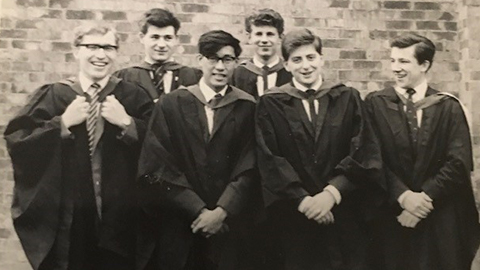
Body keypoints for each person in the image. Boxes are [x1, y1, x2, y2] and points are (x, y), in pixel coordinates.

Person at [3, 23, 153, 270]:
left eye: (108, 47)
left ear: (116, 52)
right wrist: (61, 124)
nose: (101, 55)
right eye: (92, 46)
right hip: (70, 219)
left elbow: (161, 147)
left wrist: (128, 123)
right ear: (76, 51)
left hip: (121, 218)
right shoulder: (54, 95)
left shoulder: (133, 96)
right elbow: (19, 140)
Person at [255, 28, 381, 270]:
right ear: (286, 65)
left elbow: (363, 148)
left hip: (342, 210)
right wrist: (305, 202)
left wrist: (330, 195)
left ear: (321, 59)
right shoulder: (271, 103)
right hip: (293, 215)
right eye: (297, 60)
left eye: (311, 57)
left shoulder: (347, 97)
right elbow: (269, 157)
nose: (305, 66)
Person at [137, 30, 258, 270]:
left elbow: (251, 164)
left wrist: (222, 211)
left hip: (230, 226)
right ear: (199, 60)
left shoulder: (247, 106)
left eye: (228, 59)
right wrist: (198, 210)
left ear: (236, 63)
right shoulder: (172, 104)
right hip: (182, 224)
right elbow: (158, 165)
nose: (220, 67)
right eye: (213, 58)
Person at [365, 33, 480, 270]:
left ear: (424, 64)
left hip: (438, 214)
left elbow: (458, 162)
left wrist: (423, 199)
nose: (395, 68)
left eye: (404, 62)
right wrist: (404, 197)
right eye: (393, 60)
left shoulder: (447, 106)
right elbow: (371, 157)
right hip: (392, 213)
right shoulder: (375, 103)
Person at [114, 8, 202, 102]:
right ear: (142, 38)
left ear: (176, 39)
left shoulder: (194, 77)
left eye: (168, 38)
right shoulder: (124, 77)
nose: (161, 45)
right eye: (155, 37)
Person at [231, 8, 291, 99]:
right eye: (259, 34)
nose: (264, 40)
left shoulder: (290, 72)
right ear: (249, 37)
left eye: (270, 34)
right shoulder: (237, 74)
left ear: (280, 38)